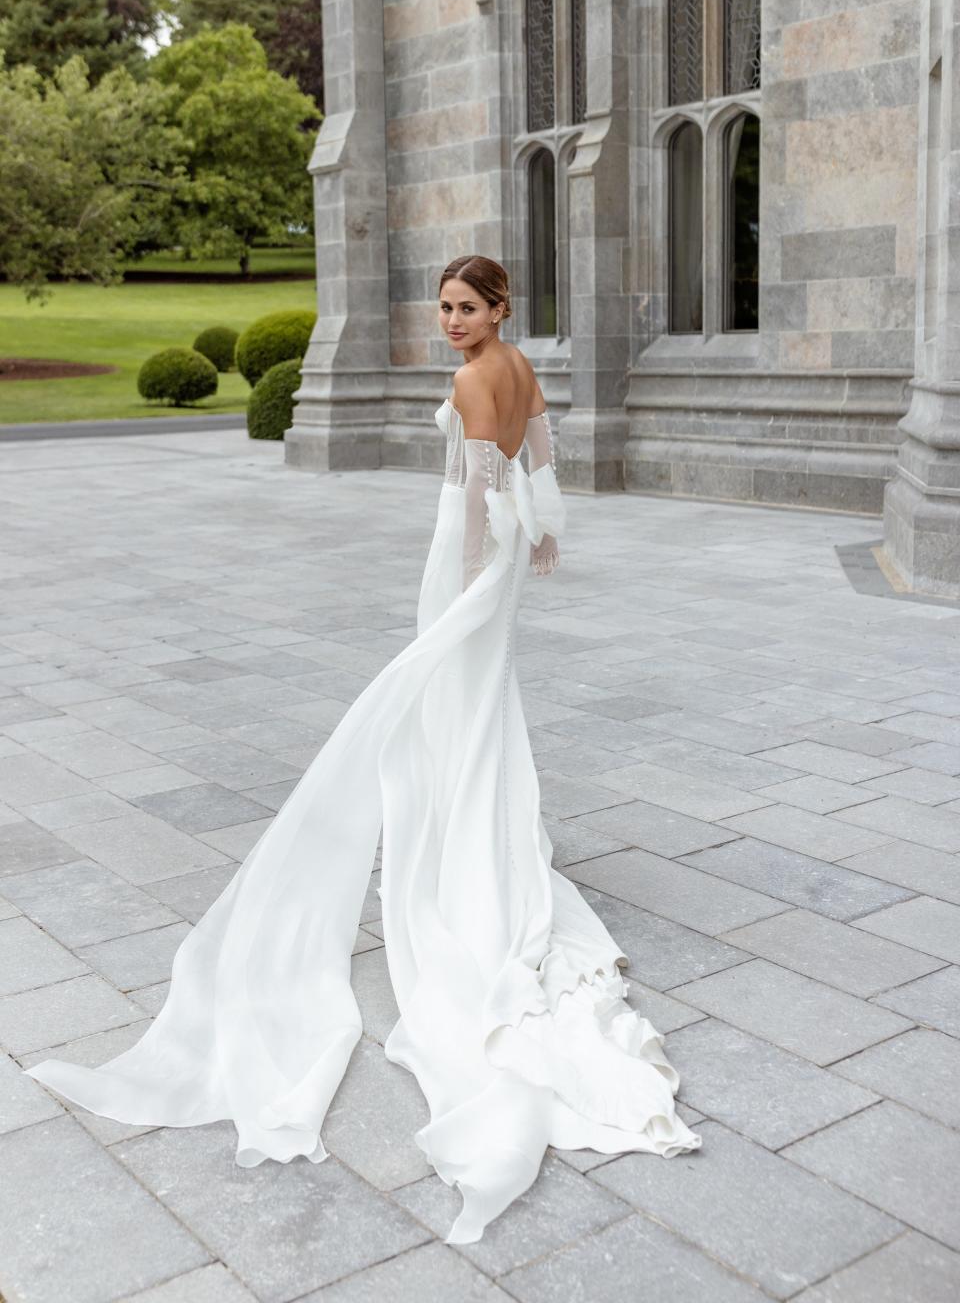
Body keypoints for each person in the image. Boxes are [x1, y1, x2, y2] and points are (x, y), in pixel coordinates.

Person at [24, 255, 701, 1244]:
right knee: (477, 712)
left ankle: (461, 858)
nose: (452, 320)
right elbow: (541, 458)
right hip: (508, 555)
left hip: (468, 559)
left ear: (500, 308)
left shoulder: (476, 378)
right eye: (446, 306)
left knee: (447, 702)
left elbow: (474, 497)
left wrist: (464, 590)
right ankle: (477, 838)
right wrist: (540, 538)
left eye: (467, 307)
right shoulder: (520, 368)